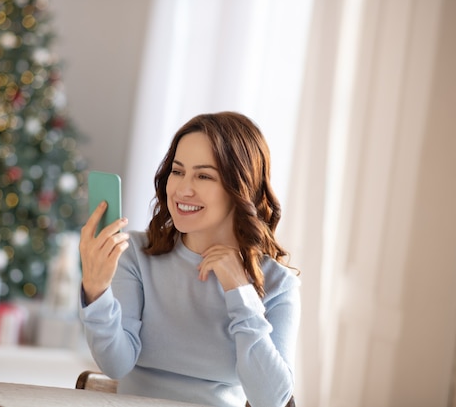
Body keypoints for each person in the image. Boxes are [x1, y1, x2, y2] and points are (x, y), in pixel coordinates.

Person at [79, 111, 300, 407]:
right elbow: (116, 364)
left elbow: (271, 399)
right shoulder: (136, 254)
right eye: (178, 171)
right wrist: (96, 292)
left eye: (204, 175)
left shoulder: (278, 283)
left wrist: (240, 292)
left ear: (241, 187)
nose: (183, 189)